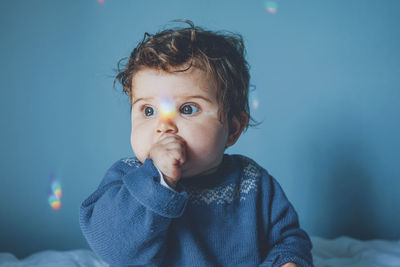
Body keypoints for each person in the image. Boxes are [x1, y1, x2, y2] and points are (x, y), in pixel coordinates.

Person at [79, 20, 313, 267]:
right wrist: (158, 181)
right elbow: (116, 251)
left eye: (187, 109)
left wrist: (288, 261)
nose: (164, 125)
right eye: (148, 111)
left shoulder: (253, 183)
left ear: (232, 129)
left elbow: (288, 239)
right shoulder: (128, 179)